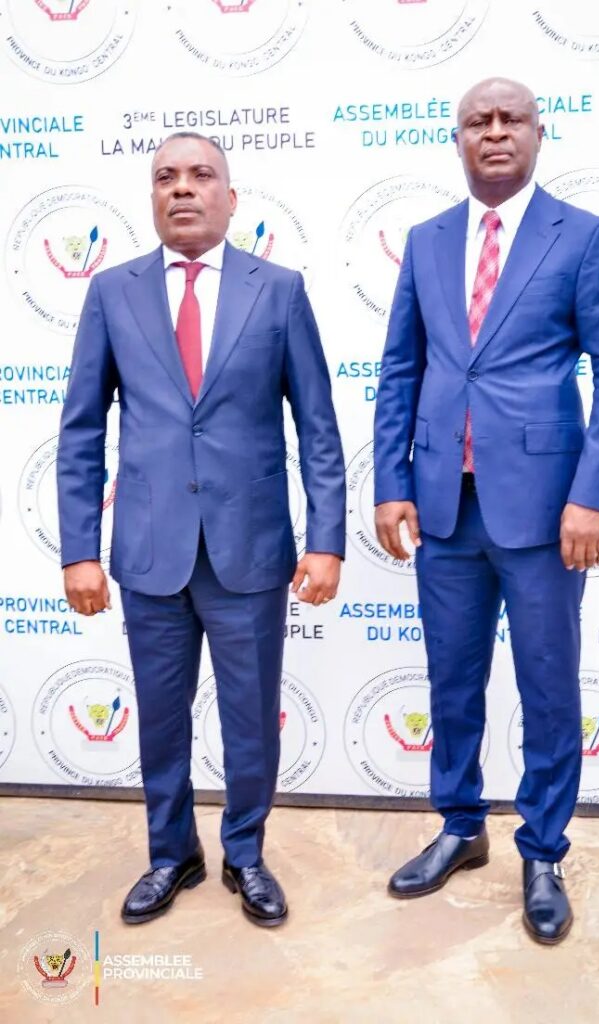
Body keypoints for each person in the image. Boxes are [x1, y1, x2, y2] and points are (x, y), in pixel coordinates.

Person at [373, 78, 599, 944]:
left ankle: (542, 850)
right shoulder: (426, 241)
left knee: (546, 684)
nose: (493, 132)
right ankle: (460, 827)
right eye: (476, 122)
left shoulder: (582, 235)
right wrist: (389, 482)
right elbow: (401, 369)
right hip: (442, 507)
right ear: (456, 139)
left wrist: (591, 495)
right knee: (451, 681)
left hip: (542, 512)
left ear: (537, 132)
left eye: (510, 119)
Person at [57, 132, 345, 928]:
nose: (182, 188)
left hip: (249, 549)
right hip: (149, 550)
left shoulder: (278, 291)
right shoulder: (112, 292)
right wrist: (79, 550)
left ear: (230, 196)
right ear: (152, 196)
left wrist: (326, 540)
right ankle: (170, 852)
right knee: (159, 715)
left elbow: (318, 427)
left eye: (200, 175)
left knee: (251, 716)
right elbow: (81, 431)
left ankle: (244, 853)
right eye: (166, 177)